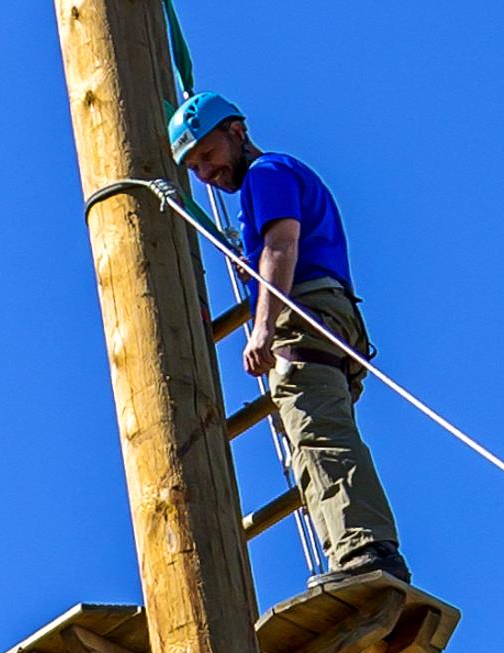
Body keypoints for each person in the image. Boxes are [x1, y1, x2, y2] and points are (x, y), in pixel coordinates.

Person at [170, 92, 412, 585]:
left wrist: (261, 328)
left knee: (319, 432)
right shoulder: (266, 184)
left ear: (237, 132)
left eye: (208, 156)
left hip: (306, 313)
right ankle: (348, 555)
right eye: (194, 167)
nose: (206, 174)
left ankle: (366, 551)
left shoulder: (267, 174)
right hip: (324, 315)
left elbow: (282, 246)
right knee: (307, 437)